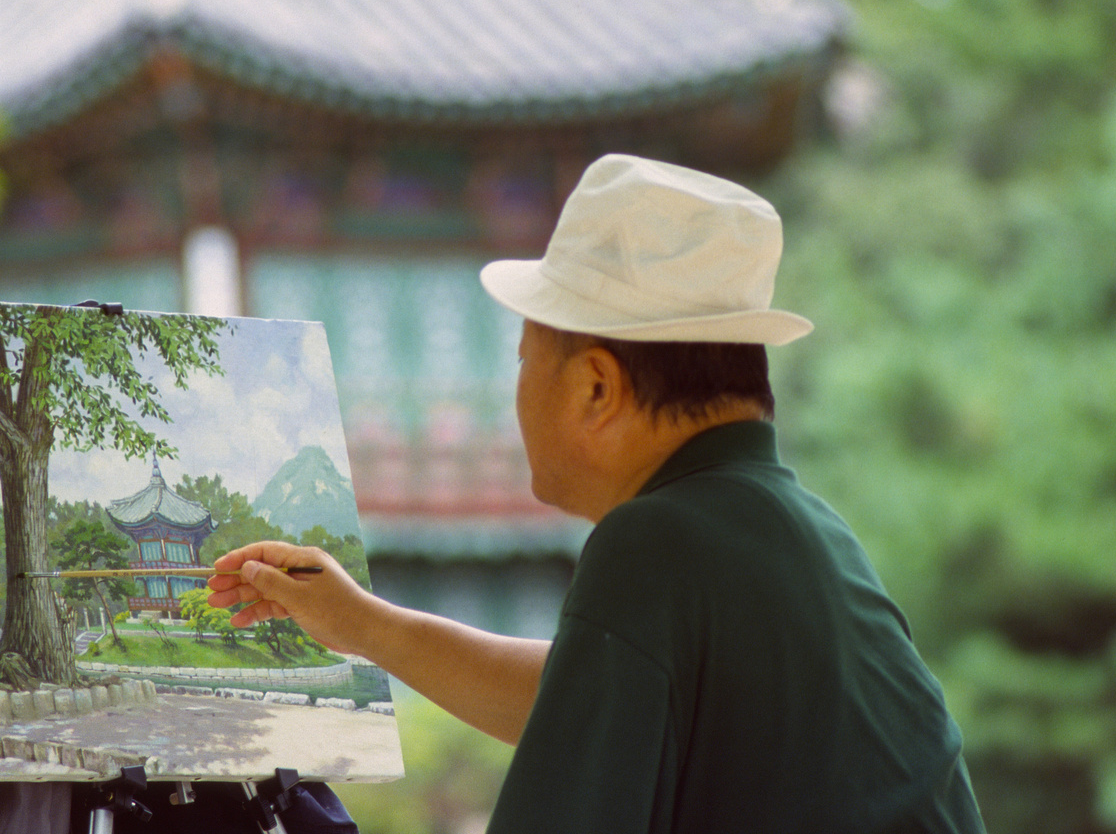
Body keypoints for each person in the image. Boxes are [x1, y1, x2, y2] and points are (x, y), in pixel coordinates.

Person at [207, 154, 985, 833]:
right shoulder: (798, 531)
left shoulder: (657, 540)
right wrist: (360, 625)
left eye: (523, 357)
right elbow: (580, 700)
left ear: (595, 388)